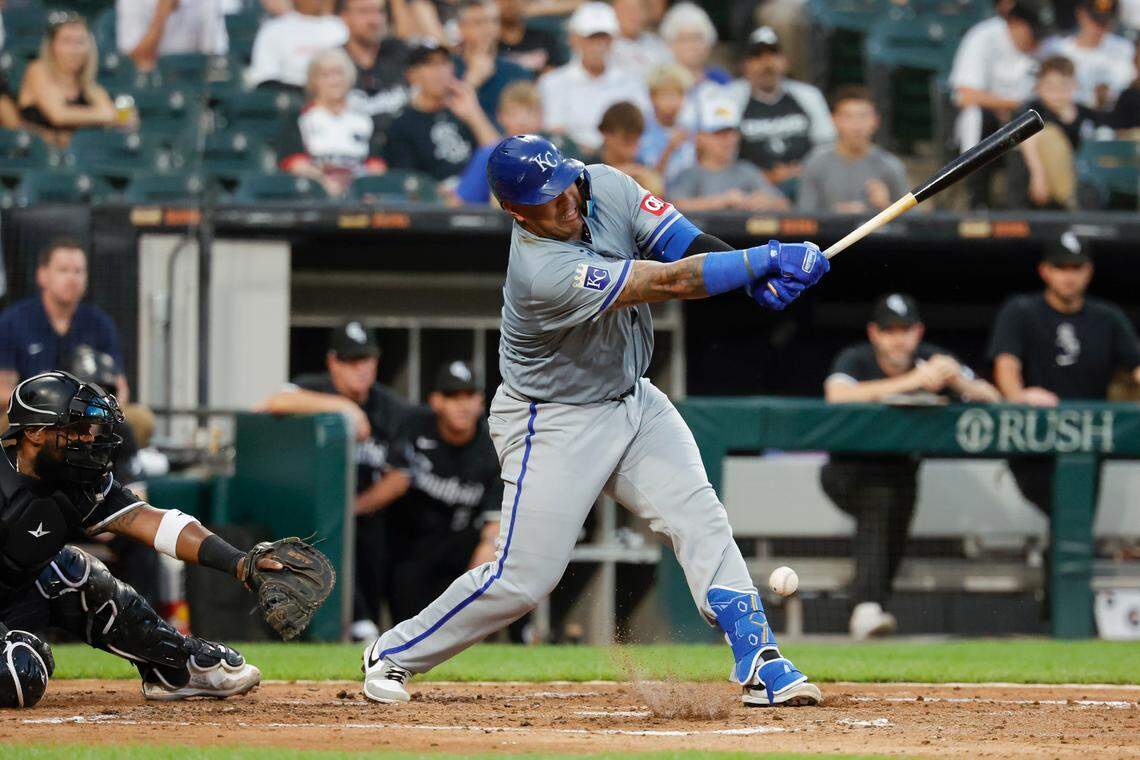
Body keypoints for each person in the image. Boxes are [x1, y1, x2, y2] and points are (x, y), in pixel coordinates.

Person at [362, 133, 830, 706]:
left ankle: (758, 659)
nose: (562, 204)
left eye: (562, 187)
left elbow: (685, 246)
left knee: (699, 514)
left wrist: (753, 280)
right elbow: (669, 280)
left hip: (632, 398)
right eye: (543, 200)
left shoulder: (606, 183)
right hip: (553, 420)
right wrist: (765, 258)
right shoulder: (541, 272)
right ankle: (393, 652)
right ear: (513, 211)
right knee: (522, 580)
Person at [0, 371, 275, 708]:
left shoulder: (77, 480)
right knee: (16, 673)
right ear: (34, 433)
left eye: (88, 429)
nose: (87, 439)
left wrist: (239, 562)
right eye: (74, 429)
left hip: (17, 596)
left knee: (73, 574)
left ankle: (174, 666)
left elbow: (155, 523)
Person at [822, 294, 1001, 640]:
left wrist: (957, 382)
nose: (898, 338)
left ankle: (872, 608)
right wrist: (914, 382)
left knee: (893, 518)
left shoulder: (933, 359)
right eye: (889, 330)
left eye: (905, 330)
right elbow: (837, 395)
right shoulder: (857, 358)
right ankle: (865, 606)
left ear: (918, 331)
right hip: (846, 471)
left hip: (901, 472)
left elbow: (991, 397)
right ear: (875, 333)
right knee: (879, 496)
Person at [987, 234, 1140, 606]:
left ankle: (1058, 607)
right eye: (1060, 268)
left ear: (1088, 272)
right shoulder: (1021, 310)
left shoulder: (1106, 318)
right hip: (1033, 443)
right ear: (1045, 271)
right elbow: (1006, 365)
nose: (1068, 277)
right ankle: (1063, 606)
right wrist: (1019, 396)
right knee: (1069, 517)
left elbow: (1136, 367)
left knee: (1074, 524)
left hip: (1086, 445)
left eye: (1076, 268)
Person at [258, 320, 412, 642]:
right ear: (332, 362)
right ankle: (352, 628)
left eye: (365, 360)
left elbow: (401, 475)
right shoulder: (316, 388)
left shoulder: (391, 407)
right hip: (313, 518)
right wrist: (343, 408)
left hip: (366, 515)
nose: (360, 370)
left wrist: (354, 508)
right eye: (350, 361)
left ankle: (369, 627)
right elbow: (273, 403)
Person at [383, 361, 503, 623]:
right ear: (436, 401)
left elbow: (493, 530)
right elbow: (391, 484)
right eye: (452, 396)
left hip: (462, 542)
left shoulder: (492, 446)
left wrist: (476, 592)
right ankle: (365, 627)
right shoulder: (414, 426)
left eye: (469, 395)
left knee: (507, 561)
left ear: (481, 402)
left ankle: (520, 643)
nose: (462, 405)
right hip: (412, 540)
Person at [0, 239, 129, 408]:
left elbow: (120, 387)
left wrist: (99, 409)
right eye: (63, 270)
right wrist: (48, 406)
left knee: (141, 419)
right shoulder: (13, 321)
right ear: (42, 275)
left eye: (78, 271)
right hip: (30, 415)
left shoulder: (100, 323)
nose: (72, 278)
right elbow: (3, 391)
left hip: (87, 413)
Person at [949, 1, 1045, 206]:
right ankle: (976, 199)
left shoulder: (1041, 49)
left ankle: (1020, 209)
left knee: (1034, 122)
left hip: (1022, 119)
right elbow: (964, 95)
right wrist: (1010, 105)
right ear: (1016, 23)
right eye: (1032, 32)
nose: (1036, 41)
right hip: (986, 118)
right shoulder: (984, 36)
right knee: (976, 116)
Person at [536, 2, 650, 152]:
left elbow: (640, 129)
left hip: (619, 163)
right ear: (574, 39)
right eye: (591, 38)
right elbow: (554, 132)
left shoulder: (632, 82)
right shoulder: (552, 83)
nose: (599, 44)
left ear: (613, 40)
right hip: (570, 163)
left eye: (604, 37)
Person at [733, 26, 834, 195]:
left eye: (773, 54)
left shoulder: (807, 95)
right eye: (757, 56)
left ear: (785, 61)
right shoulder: (732, 98)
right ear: (745, 65)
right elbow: (722, 148)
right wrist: (764, 176)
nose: (767, 63)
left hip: (804, 183)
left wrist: (803, 170)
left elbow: (827, 144)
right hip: (749, 190)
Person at [383, 42, 501, 185]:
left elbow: (500, 159)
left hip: (479, 190)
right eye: (430, 64)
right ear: (412, 75)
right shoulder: (402, 125)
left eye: (444, 62)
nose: (440, 71)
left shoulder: (465, 109)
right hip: (437, 199)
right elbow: (407, 183)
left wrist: (474, 115)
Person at [278, 48, 386, 197]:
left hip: (360, 195)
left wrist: (355, 186)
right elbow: (295, 164)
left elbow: (377, 166)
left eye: (339, 73)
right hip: (313, 194)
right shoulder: (300, 119)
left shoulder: (365, 120)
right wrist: (324, 183)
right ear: (314, 81)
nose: (334, 80)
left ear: (350, 77)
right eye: (325, 75)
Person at [455, 80, 580, 205]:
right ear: (501, 116)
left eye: (529, 112)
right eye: (514, 113)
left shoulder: (557, 148)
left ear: (541, 115)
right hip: (501, 222)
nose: (522, 121)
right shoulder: (488, 155)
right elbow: (461, 206)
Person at [796, 86, 909, 214]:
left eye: (863, 116)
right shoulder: (815, 162)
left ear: (875, 121)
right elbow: (804, 216)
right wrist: (836, 213)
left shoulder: (890, 166)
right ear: (834, 119)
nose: (856, 125)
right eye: (848, 116)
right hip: (829, 233)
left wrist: (885, 206)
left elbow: (913, 223)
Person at [668, 93, 788, 212]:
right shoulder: (690, 173)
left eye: (732, 133)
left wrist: (768, 202)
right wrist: (722, 201)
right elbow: (674, 207)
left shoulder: (747, 170)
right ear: (700, 138)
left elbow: (785, 205)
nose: (729, 140)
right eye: (719, 134)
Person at [1013, 55, 1105, 209]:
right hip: (1038, 181)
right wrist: (1038, 175)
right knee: (1049, 135)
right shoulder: (1032, 110)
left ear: (1074, 85)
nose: (1057, 93)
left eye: (1063, 86)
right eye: (1050, 86)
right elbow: (1027, 143)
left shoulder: (1085, 114)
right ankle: (1074, 202)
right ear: (1039, 86)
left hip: (1082, 177)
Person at [16, 11, 119, 148]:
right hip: (34, 159)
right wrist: (105, 115)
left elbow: (113, 115)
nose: (74, 49)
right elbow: (59, 115)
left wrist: (115, 117)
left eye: (80, 42)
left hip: (81, 162)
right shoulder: (38, 70)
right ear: (52, 46)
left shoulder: (90, 87)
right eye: (66, 41)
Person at [1041, 0, 1135, 111]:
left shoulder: (1124, 48)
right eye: (1095, 20)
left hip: (1113, 117)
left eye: (1105, 21)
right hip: (1070, 117)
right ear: (1081, 14)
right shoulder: (1057, 48)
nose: (1099, 27)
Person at [453, 0, 532, 124]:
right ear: (461, 28)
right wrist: (471, 81)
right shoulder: (447, 68)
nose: (488, 28)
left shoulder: (517, 71)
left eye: (494, 21)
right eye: (479, 23)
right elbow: (442, 120)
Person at [247, 0, 349, 92]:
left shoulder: (340, 26)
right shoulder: (273, 29)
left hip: (339, 94)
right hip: (292, 100)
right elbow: (264, 78)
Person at [339, 0, 411, 127]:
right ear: (344, 17)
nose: (375, 20)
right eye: (364, 11)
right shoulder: (333, 63)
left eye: (380, 11)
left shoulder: (400, 53)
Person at [116, 0, 229, 72]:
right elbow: (132, 59)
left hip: (192, 78)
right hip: (150, 80)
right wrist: (162, 11)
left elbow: (215, 59)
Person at [637, 63, 696, 185]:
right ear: (652, 97)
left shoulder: (690, 130)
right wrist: (670, 149)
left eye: (679, 94)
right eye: (666, 95)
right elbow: (650, 180)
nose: (673, 102)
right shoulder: (642, 130)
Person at [598, 100, 664, 196]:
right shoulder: (585, 167)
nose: (633, 150)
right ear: (607, 134)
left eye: (636, 141)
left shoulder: (641, 168)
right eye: (627, 141)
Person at [495, 0, 568, 75]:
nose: (510, 4)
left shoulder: (543, 37)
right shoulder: (488, 42)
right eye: (504, 1)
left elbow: (559, 71)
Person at [609, 0, 672, 83]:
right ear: (614, 10)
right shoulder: (603, 43)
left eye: (638, 9)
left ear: (646, 13)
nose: (633, 14)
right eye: (627, 9)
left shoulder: (658, 45)